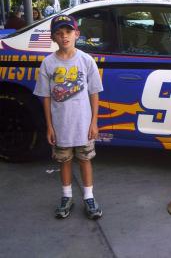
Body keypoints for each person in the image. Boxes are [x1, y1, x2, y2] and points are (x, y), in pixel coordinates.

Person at [33, 14, 104, 220]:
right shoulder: (48, 63)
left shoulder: (86, 60)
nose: (64, 36)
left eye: (68, 32)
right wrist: (49, 126)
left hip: (83, 125)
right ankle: (67, 197)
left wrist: (94, 122)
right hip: (61, 126)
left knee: (85, 160)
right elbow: (45, 97)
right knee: (64, 161)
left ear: (77, 34)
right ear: (53, 38)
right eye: (59, 33)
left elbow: (94, 93)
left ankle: (89, 197)